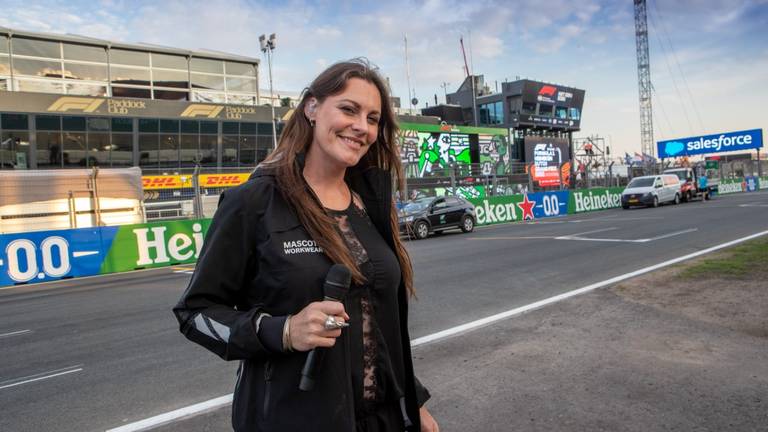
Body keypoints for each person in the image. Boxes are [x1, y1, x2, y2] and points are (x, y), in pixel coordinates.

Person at [173, 59, 439, 432]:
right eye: (349, 109)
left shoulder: (371, 203)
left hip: (385, 420)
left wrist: (413, 400)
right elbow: (194, 313)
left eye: (373, 118)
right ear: (312, 108)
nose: (361, 126)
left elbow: (378, 322)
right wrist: (282, 330)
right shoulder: (254, 202)